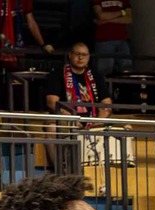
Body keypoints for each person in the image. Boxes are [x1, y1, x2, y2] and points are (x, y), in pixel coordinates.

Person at [43, 41, 113, 175]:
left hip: (93, 120)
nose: (81, 58)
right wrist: (72, 119)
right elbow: (52, 102)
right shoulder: (58, 73)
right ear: (70, 55)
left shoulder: (95, 75)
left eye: (84, 55)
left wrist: (98, 121)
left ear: (89, 57)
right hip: (66, 119)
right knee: (51, 129)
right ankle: (61, 173)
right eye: (77, 54)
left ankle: (103, 174)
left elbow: (106, 102)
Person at [90, 0, 132, 86]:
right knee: (104, 72)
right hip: (104, 39)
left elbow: (129, 19)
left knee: (126, 71)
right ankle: (104, 92)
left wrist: (107, 20)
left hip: (122, 39)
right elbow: (101, 15)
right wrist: (121, 12)